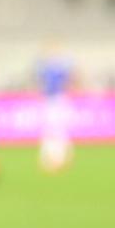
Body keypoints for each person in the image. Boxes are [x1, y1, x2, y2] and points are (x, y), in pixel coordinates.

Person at [37, 43, 76, 173]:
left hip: (58, 99)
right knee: (50, 129)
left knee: (58, 129)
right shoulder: (46, 67)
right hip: (50, 99)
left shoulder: (61, 67)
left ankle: (59, 158)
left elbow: (68, 81)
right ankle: (51, 158)